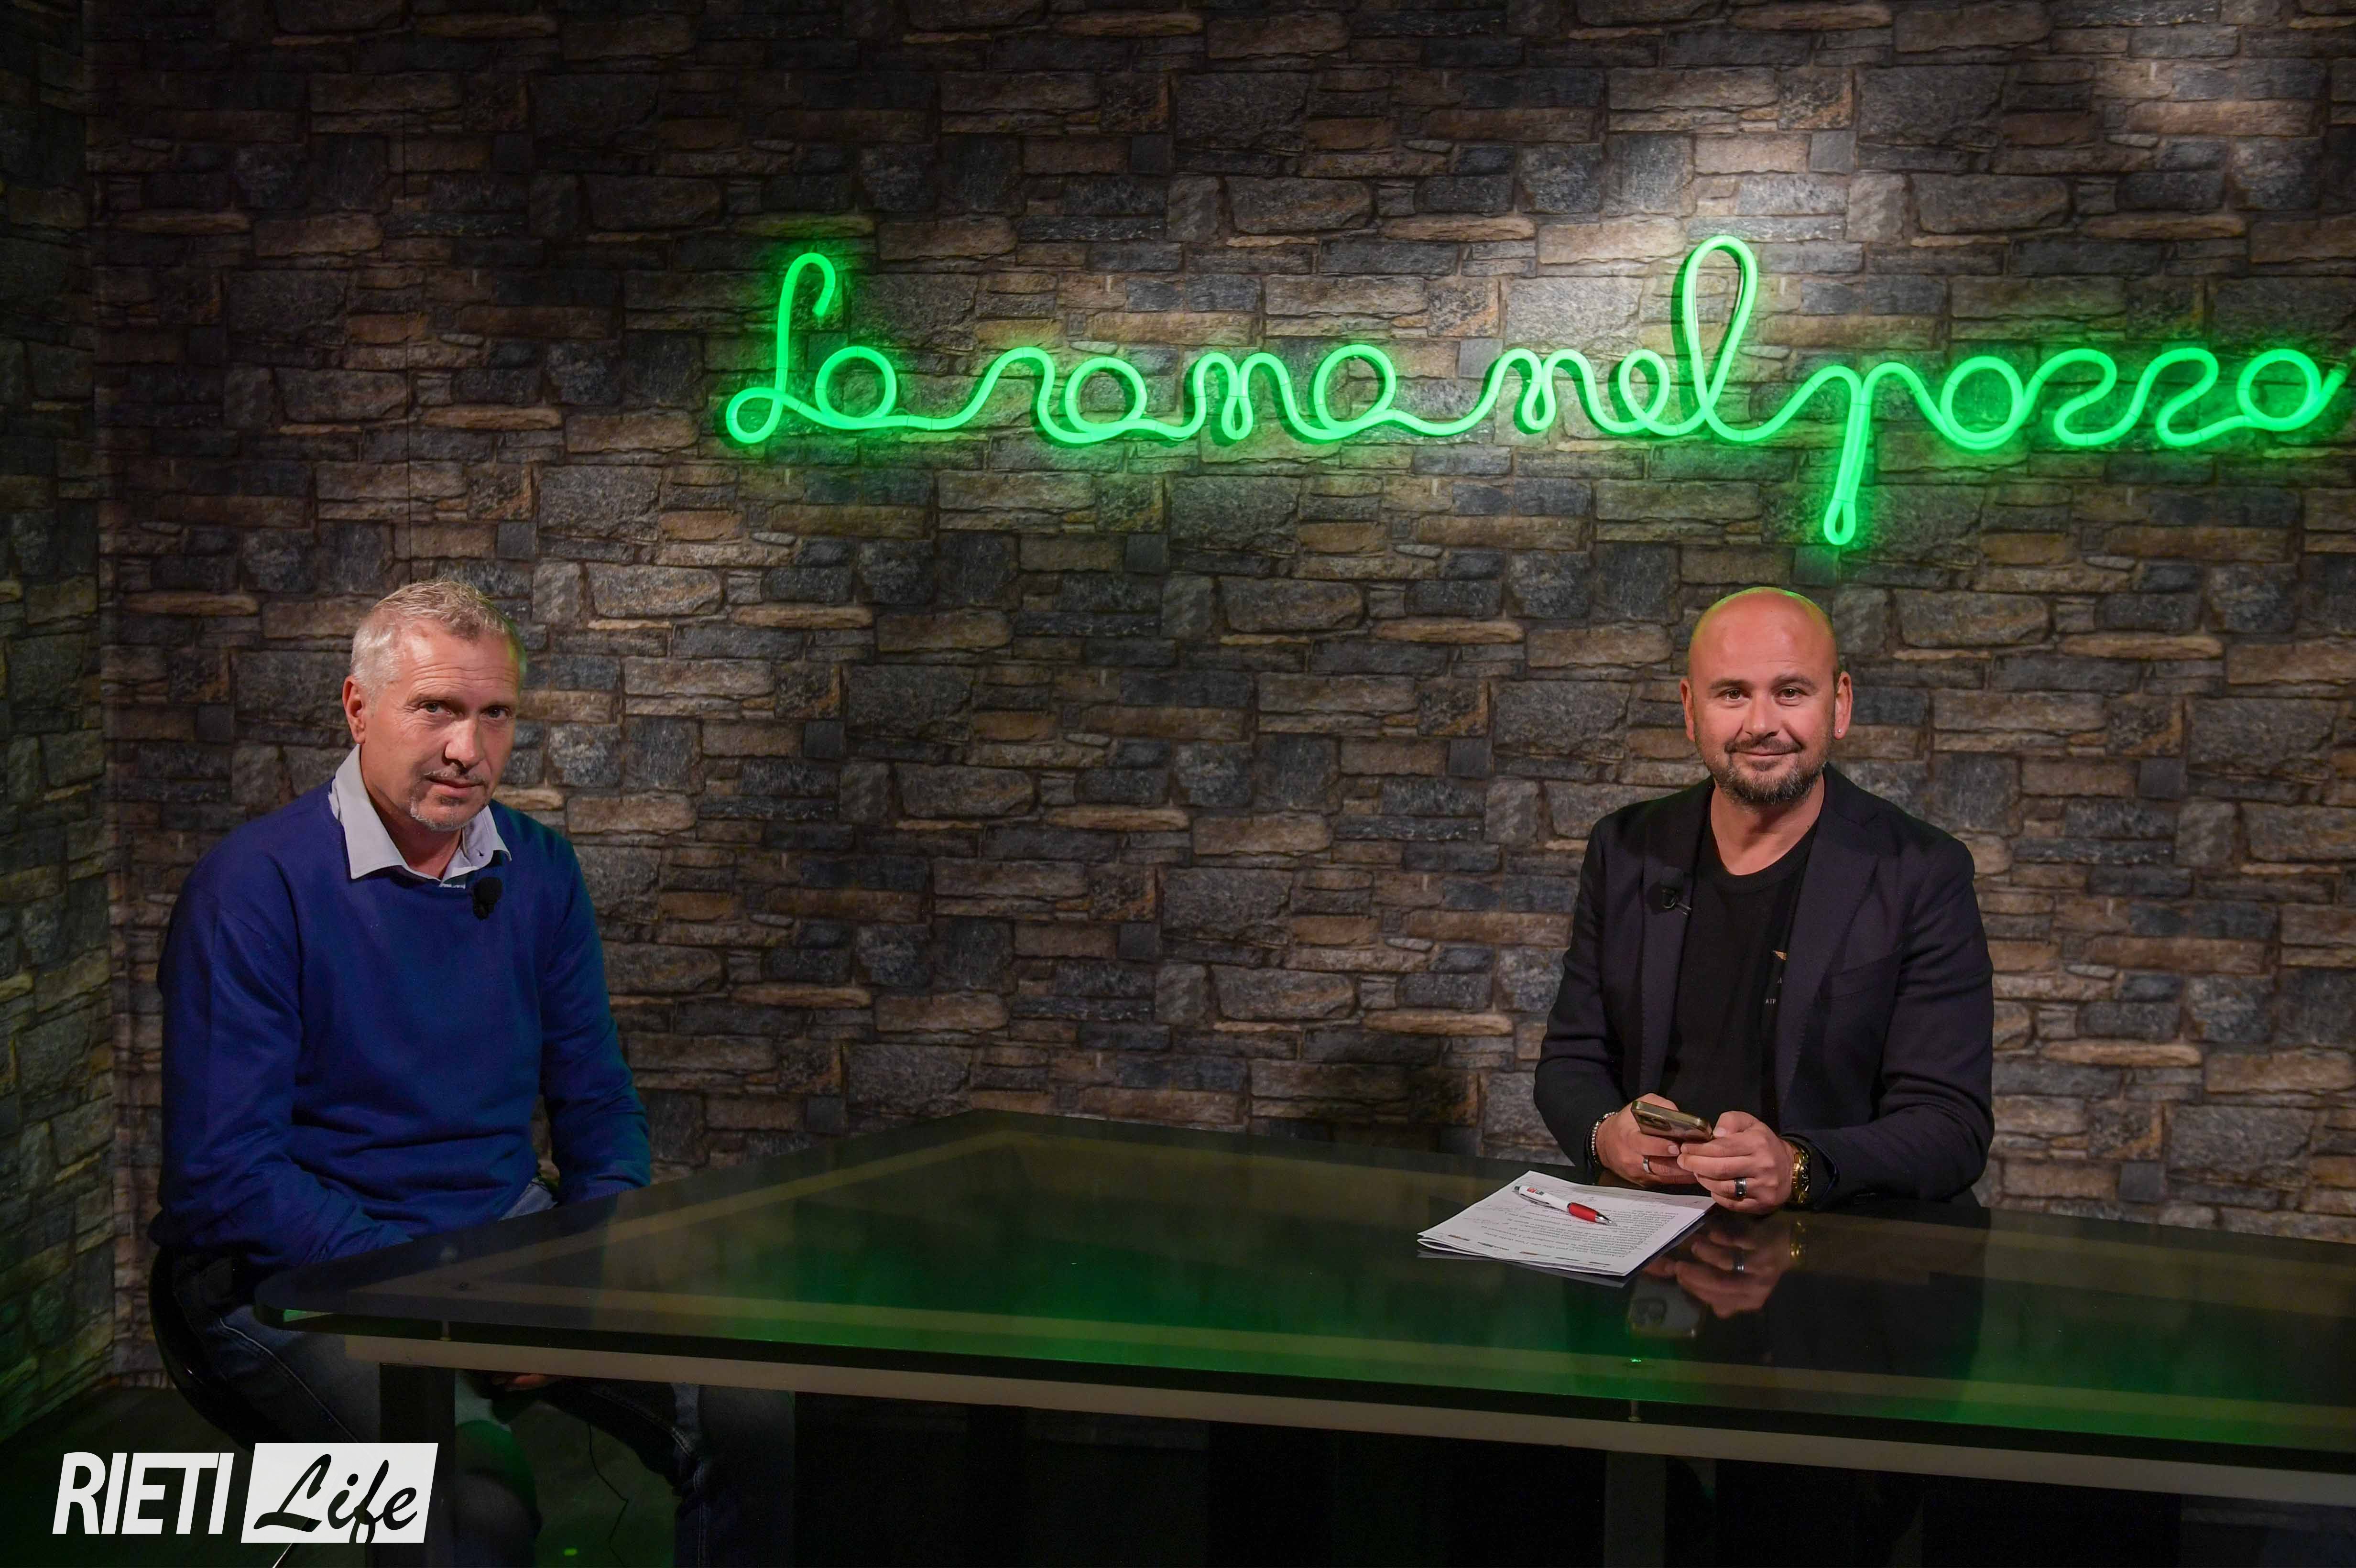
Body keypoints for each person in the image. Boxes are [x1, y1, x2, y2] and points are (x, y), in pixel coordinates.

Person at [151, 579, 793, 1566]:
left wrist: (580, 1273)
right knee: (469, 1500)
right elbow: (226, 1175)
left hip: (500, 1246)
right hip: (292, 1274)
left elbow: (598, 1102)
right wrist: (459, 1301)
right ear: (358, 708)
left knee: (761, 1413)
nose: (469, 748)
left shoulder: (540, 870)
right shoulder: (253, 887)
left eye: (495, 714)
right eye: (436, 709)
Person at [1533, 585, 1995, 1210]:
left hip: (1842, 1240)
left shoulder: (1922, 871)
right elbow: (1571, 1060)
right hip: (1653, 1232)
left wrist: (1800, 1166)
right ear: (1690, 709)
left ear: (1840, 704)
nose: (1760, 725)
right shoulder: (1625, 848)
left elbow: (1950, 1125)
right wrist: (1603, 1136)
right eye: (1732, 694)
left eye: (1791, 692)